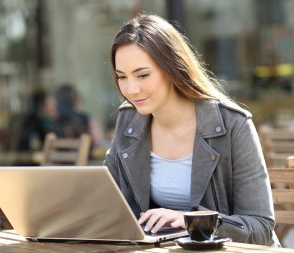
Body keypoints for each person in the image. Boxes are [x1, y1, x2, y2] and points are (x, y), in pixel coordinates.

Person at [104, 14, 279, 246]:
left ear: (172, 69)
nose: (131, 89)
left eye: (143, 75)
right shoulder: (129, 121)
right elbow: (106, 204)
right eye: (121, 77)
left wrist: (191, 221)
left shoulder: (233, 124)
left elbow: (260, 227)